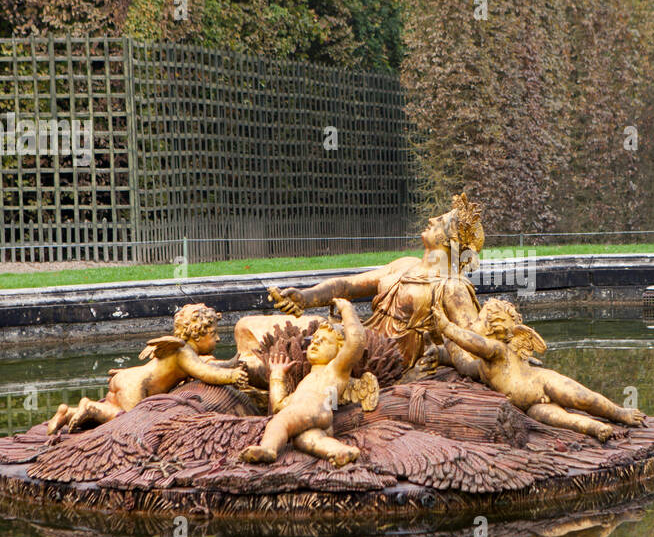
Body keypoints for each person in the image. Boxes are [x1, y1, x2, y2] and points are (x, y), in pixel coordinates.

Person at [234, 193, 487, 378]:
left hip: (378, 359)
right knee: (244, 326)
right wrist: (305, 297)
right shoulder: (405, 265)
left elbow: (473, 345)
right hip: (359, 336)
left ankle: (240, 372)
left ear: (451, 239)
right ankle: (241, 368)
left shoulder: (452, 287)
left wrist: (443, 354)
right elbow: (347, 287)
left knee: (273, 355)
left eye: (441, 220)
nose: (432, 218)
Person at [431, 298, 645, 442]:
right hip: (529, 406)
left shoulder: (498, 351)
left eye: (478, 320)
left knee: (582, 398)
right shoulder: (482, 366)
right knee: (559, 419)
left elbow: (475, 343)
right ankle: (593, 427)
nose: (473, 324)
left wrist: (448, 328)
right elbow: (462, 364)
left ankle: (619, 413)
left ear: (492, 328)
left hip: (541, 383)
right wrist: (442, 353)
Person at [46, 302, 248, 435]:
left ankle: (67, 413)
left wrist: (231, 363)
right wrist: (232, 375)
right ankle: (91, 407)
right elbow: (206, 373)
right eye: (213, 333)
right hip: (137, 386)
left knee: (113, 413)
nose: (218, 338)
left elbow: (207, 366)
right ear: (197, 334)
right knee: (133, 423)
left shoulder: (186, 352)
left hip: (128, 378)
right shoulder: (183, 352)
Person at [238, 298, 365, 466]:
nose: (315, 342)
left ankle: (268, 448)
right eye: (314, 339)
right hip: (318, 416)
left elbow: (356, 343)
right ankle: (340, 451)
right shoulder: (307, 382)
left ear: (340, 350)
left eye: (324, 341)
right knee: (306, 440)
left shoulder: (334, 369)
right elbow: (279, 406)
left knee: (280, 421)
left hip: (316, 408)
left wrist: (347, 310)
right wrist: (277, 375)